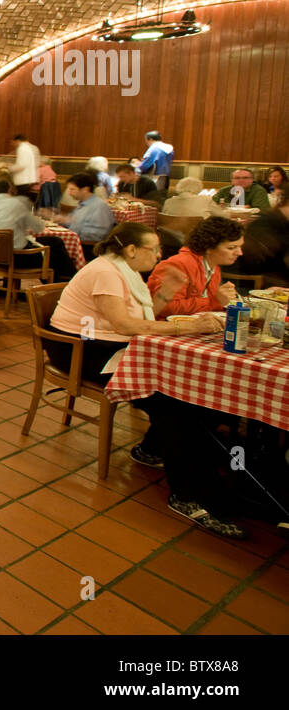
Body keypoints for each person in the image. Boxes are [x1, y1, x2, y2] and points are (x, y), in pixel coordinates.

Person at [46, 224, 250, 540]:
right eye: (153, 249)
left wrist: (166, 294)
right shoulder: (106, 272)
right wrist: (188, 329)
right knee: (173, 402)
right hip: (80, 350)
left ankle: (155, 451)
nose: (159, 255)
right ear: (130, 249)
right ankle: (186, 494)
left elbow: (143, 318)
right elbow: (125, 324)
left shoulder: (124, 270)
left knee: (186, 392)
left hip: (107, 342)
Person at [0, 178, 76, 280]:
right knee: (54, 249)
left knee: (54, 243)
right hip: (20, 258)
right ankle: (65, 281)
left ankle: (61, 283)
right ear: (10, 190)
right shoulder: (18, 204)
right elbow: (38, 227)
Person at [146, 217, 243, 318]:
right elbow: (167, 308)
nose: (240, 253)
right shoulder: (180, 264)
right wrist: (215, 301)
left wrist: (222, 299)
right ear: (209, 247)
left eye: (240, 247)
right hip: (164, 327)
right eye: (231, 248)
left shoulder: (213, 266)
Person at [232, 197, 289, 285]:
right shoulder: (268, 222)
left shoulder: (280, 220)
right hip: (256, 279)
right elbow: (255, 259)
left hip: (272, 276)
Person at [57, 172, 115, 245]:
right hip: (77, 242)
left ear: (85, 189)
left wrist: (72, 235)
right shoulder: (82, 204)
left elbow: (98, 235)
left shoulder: (99, 206)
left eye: (72, 189)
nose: (69, 193)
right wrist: (63, 220)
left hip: (88, 247)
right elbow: (77, 224)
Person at [161, 176, 227, 218]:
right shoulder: (206, 200)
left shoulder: (168, 202)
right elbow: (223, 216)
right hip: (199, 237)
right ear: (198, 188)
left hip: (171, 237)